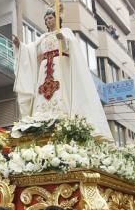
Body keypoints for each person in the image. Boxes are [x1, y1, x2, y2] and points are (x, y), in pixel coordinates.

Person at [12, 7, 110, 137]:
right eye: (46, 19)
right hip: (45, 69)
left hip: (60, 66)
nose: (48, 21)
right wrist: (21, 46)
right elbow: (32, 51)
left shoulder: (65, 32)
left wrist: (62, 39)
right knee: (42, 93)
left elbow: (71, 48)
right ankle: (40, 119)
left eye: (51, 18)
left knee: (61, 92)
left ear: (57, 18)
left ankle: (64, 117)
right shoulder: (43, 37)